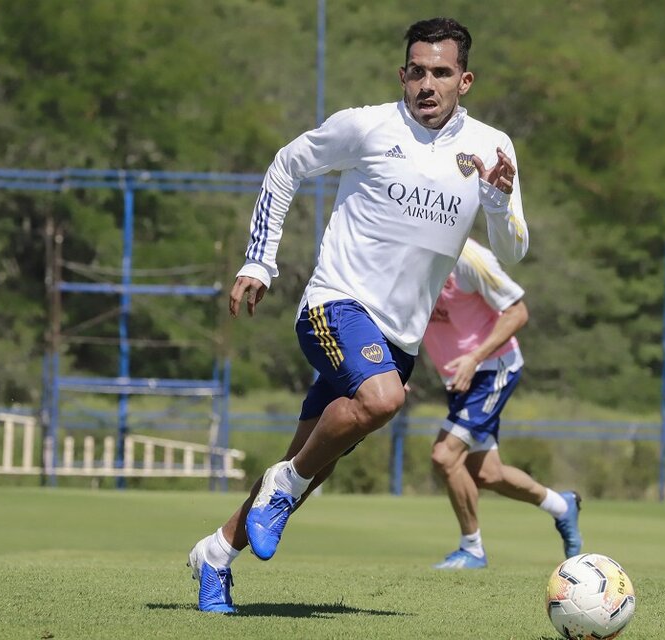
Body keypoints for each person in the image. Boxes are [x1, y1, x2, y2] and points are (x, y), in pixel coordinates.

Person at [186, 17, 528, 613]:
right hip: (334, 305)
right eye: (417, 71)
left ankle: (215, 554)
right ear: (402, 74)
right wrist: (259, 263)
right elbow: (286, 165)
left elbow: (513, 248)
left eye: (441, 73)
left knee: (309, 462)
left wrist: (498, 200)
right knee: (382, 401)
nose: (427, 83)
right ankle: (281, 491)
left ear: (464, 80)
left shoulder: (492, 148)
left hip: (400, 337)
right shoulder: (365, 126)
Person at [423, 238, 581, 569]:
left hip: (492, 369)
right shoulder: (407, 249)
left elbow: (517, 311)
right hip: (458, 379)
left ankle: (472, 549)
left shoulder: (471, 258)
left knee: (445, 455)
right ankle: (561, 506)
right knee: (488, 473)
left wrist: (474, 358)